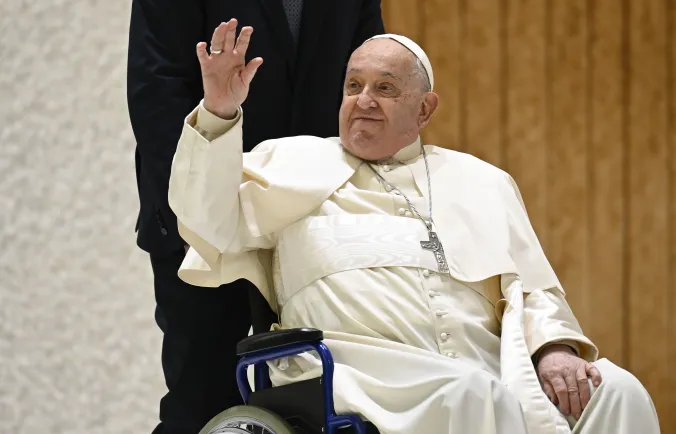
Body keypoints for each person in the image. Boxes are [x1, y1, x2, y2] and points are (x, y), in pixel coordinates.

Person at [167, 22, 661, 434]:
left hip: (489, 364)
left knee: (614, 392)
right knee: (471, 394)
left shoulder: (482, 181)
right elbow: (205, 220)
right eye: (353, 86)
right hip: (357, 368)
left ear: (424, 110)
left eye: (384, 88)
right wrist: (219, 111)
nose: (363, 100)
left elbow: (532, 289)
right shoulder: (288, 161)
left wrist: (553, 349)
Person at [126, 0, 384, 432]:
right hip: (202, 227)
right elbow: (156, 91)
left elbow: (367, 71)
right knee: (203, 400)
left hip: (311, 218)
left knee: (318, 399)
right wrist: (200, 210)